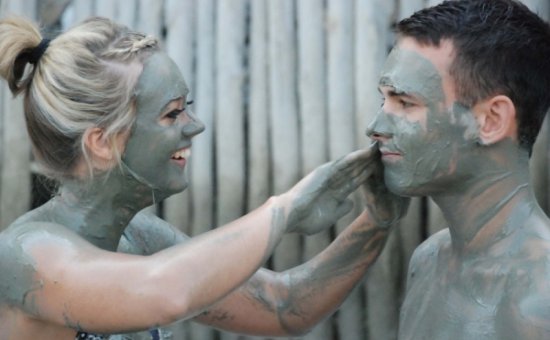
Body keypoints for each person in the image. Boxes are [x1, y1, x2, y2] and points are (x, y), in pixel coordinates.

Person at [0, 16, 408, 340]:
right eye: (173, 113)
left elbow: (285, 307)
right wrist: (282, 210)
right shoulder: (26, 255)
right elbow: (164, 292)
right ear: (102, 143)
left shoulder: (138, 237)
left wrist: (375, 222)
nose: (194, 126)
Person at [367, 0, 550, 338]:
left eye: (405, 103)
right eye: (384, 100)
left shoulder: (541, 297)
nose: (375, 127)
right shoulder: (428, 262)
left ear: (491, 120)